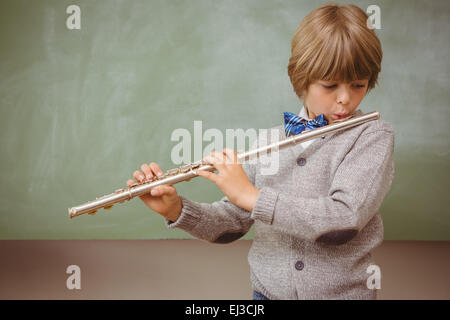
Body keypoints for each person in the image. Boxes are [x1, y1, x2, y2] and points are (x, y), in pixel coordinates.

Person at [127, 3, 394, 300]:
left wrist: (253, 197)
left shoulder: (372, 136)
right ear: (301, 78)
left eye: (359, 85)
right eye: (330, 85)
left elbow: (343, 219)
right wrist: (177, 209)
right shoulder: (268, 140)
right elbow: (233, 223)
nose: (345, 98)